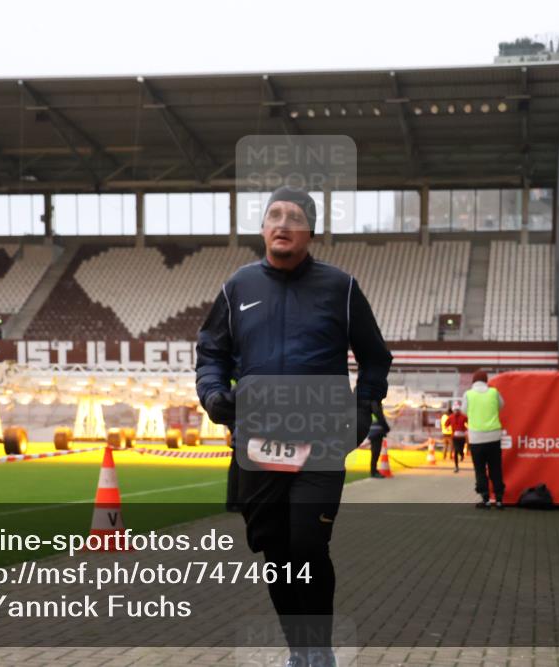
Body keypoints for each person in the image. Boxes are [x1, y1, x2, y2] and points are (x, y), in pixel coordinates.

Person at [196, 186, 392, 667]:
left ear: (311, 231)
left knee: (307, 545)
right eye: (274, 215)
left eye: (295, 217)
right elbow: (211, 353)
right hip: (258, 442)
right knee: (275, 552)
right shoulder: (236, 287)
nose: (283, 224)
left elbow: (374, 356)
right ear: (263, 228)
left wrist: (363, 407)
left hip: (320, 441)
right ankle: (300, 652)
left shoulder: (340, 288)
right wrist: (213, 394)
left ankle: (319, 653)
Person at [464, 370, 506, 509]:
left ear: (474, 381)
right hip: (494, 436)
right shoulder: (494, 392)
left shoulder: (468, 394)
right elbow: (501, 405)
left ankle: (485, 498)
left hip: (476, 438)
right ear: (486, 380)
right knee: (495, 468)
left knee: (480, 470)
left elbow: (464, 411)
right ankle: (499, 499)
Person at [367, 401, 390, 478]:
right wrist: (386, 428)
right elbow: (380, 417)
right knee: (375, 452)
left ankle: (374, 471)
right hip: (376, 432)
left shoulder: (372, 403)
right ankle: (373, 472)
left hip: (373, 431)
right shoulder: (375, 404)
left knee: (375, 453)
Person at [450, 406, 467, 473]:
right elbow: (446, 424)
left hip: (462, 436)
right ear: (453, 410)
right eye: (455, 410)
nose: (456, 411)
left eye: (457, 410)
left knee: (461, 449)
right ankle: (456, 466)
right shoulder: (451, 417)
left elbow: (469, 423)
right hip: (455, 437)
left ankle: (462, 454)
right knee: (456, 451)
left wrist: (466, 429)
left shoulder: (464, 417)